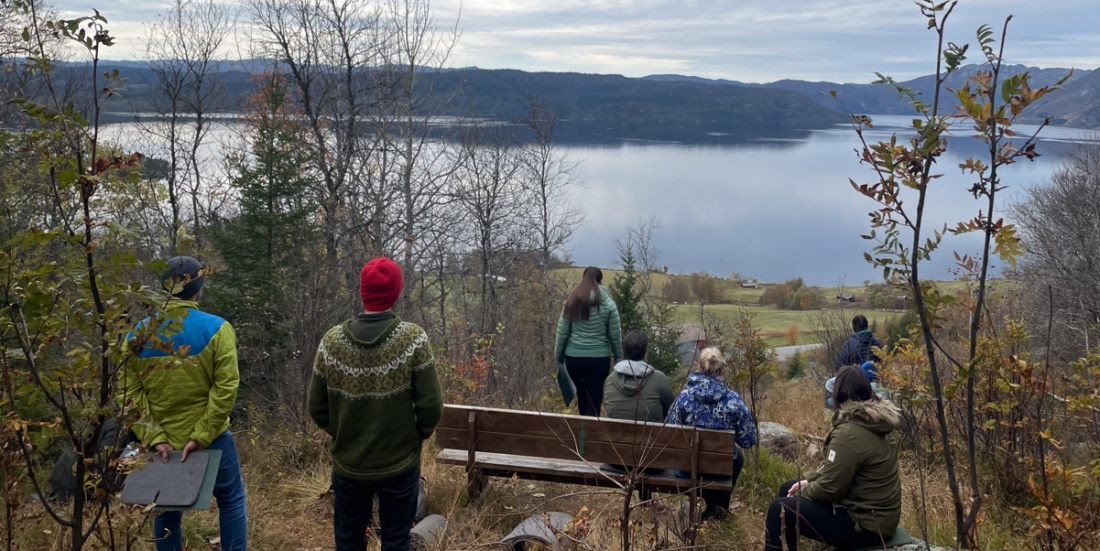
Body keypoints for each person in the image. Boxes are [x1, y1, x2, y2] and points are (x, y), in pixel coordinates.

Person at [309, 258, 443, 551]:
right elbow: (431, 406)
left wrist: (343, 430)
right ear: (396, 293)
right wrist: (416, 434)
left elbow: (317, 408)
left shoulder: (330, 342)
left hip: (349, 463)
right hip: (399, 461)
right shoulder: (413, 339)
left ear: (362, 292)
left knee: (348, 540)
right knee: (396, 540)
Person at [123, 256, 247, 551]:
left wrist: (154, 438)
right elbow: (226, 387)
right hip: (212, 439)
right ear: (199, 289)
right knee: (230, 501)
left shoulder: (136, 336)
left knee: (165, 509)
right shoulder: (218, 329)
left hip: (161, 444)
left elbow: (128, 394)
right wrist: (202, 435)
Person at [764, 365, 902, 551]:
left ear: (840, 394)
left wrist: (803, 492)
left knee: (777, 509)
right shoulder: (875, 421)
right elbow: (837, 470)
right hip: (877, 518)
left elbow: (830, 488)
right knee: (788, 488)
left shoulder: (849, 433)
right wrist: (809, 480)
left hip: (864, 526)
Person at [667, 347, 757, 521]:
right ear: (723, 370)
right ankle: (718, 507)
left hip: (686, 469)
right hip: (719, 471)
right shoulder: (734, 401)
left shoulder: (683, 398)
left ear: (699, 368)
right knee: (736, 457)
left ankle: (714, 507)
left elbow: (670, 433)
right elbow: (748, 440)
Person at [555, 267, 623, 417]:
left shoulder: (571, 302)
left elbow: (562, 333)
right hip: (599, 360)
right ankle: (592, 435)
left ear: (583, 280)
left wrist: (559, 357)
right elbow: (615, 335)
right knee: (595, 400)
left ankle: (583, 435)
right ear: (601, 281)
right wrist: (619, 358)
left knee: (582, 398)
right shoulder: (609, 304)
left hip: (574, 359)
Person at [603, 331, 675, 424]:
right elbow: (672, 411)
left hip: (616, 437)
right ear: (645, 354)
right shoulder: (659, 379)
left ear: (623, 352)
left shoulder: (610, 380)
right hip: (653, 437)